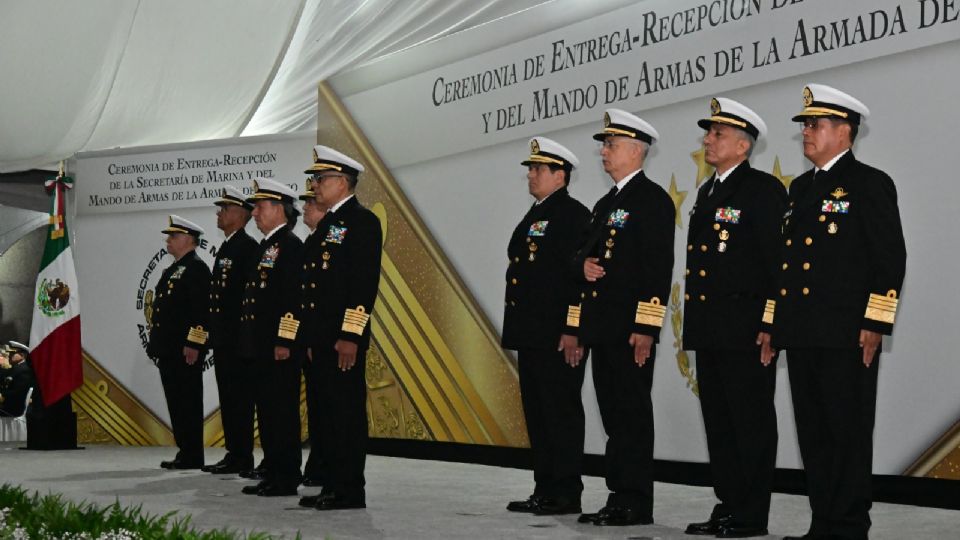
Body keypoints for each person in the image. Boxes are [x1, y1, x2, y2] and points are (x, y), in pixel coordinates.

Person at [770, 84, 906, 540]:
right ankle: (823, 523)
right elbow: (785, 265)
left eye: (816, 124)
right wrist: (775, 323)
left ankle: (847, 526)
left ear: (844, 131)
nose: (806, 132)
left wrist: (875, 322)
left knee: (846, 433)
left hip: (847, 332)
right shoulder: (800, 188)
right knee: (814, 434)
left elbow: (889, 259)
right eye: (805, 125)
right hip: (804, 331)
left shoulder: (869, 183)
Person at [682, 98, 786, 538]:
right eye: (709, 133)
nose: (708, 139)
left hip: (745, 326)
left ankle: (750, 514)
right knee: (720, 423)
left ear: (743, 146)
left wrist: (770, 323)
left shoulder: (761, 190)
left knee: (750, 421)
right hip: (710, 325)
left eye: (717, 134)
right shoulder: (708, 191)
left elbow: (776, 264)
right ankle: (727, 504)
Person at [570, 109, 675, 527]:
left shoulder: (652, 200)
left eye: (611, 145)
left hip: (631, 331)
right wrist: (581, 266)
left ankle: (636, 499)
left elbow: (657, 269)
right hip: (603, 327)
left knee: (631, 416)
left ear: (636, 150)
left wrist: (647, 327)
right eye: (604, 144)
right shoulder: (605, 202)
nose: (603, 152)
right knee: (613, 415)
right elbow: (581, 255)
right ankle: (618, 495)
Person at [502, 137, 591, 516]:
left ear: (561, 175)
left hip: (558, 335)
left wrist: (573, 329)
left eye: (539, 169)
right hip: (533, 333)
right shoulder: (536, 214)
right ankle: (544, 486)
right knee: (538, 414)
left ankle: (566, 490)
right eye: (531, 168)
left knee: (560, 413)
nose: (531, 174)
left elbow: (578, 280)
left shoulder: (572, 215)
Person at [299, 145, 382, 510]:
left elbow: (362, 287)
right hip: (321, 340)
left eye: (321, 179)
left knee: (345, 414)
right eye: (315, 179)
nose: (315, 185)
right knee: (326, 415)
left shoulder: (361, 222)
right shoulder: (327, 227)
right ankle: (331, 482)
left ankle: (349, 488)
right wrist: (313, 338)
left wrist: (350, 336)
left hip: (342, 341)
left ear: (342, 182)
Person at [237, 178, 305, 497]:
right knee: (267, 411)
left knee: (281, 412)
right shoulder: (268, 246)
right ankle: (273, 471)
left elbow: (292, 301)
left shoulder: (290, 247)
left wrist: (285, 341)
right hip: (261, 346)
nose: (254, 214)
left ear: (279, 209)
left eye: (260, 207)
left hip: (278, 347)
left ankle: (286, 475)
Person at [202, 186, 259, 475]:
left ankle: (243, 455)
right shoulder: (227, 246)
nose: (219, 213)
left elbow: (246, 299)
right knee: (229, 398)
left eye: (224, 209)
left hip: (238, 341)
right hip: (225, 340)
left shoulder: (247, 248)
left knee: (240, 399)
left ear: (239, 214)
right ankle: (234, 452)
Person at [146, 216, 211, 470]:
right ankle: (185, 451)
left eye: (173, 236)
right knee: (177, 401)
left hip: (184, 350)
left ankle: (193, 454)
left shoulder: (196, 268)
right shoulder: (175, 268)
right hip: (169, 349)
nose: (168, 241)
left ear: (187, 239)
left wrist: (194, 344)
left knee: (188, 402)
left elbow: (201, 312)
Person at [296, 178, 329, 492]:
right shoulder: (310, 243)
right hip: (312, 340)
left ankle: (321, 467)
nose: (306, 206)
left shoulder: (328, 238)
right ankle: (317, 466)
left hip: (328, 339)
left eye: (311, 202)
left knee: (328, 410)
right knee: (318, 409)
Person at [0, 342, 36, 417]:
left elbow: (18, 392)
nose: (9, 356)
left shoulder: (24, 370)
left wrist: (2, 395)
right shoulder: (17, 368)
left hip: (11, 408)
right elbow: (3, 374)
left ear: (22, 356)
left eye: (12, 354)